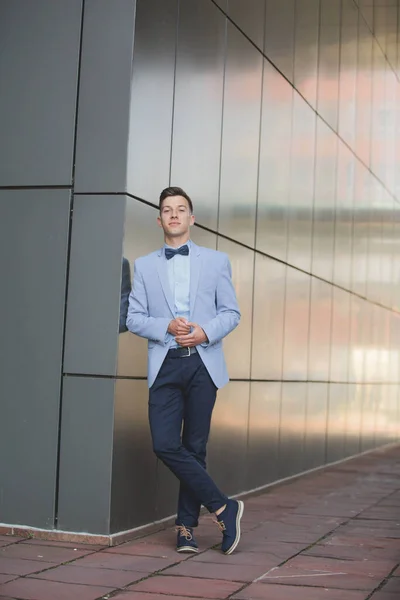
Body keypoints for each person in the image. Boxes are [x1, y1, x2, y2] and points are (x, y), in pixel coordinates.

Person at [126, 186, 243, 555]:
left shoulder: (216, 261)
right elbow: (133, 318)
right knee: (164, 443)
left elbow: (231, 313)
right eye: (167, 209)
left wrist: (203, 331)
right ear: (159, 219)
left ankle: (186, 529)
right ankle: (225, 506)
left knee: (194, 447)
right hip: (165, 363)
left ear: (191, 218)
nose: (174, 214)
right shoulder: (143, 265)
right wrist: (166, 326)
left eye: (181, 209)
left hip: (203, 364)